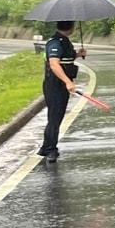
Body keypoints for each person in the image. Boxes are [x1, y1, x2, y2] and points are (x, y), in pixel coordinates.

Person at [38, 20, 85, 162]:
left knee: (57, 116)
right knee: (55, 117)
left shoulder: (64, 41)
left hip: (61, 85)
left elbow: (64, 58)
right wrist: (67, 81)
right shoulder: (55, 42)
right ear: (71, 27)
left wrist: (77, 54)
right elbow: (54, 64)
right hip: (54, 85)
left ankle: (47, 146)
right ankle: (50, 149)